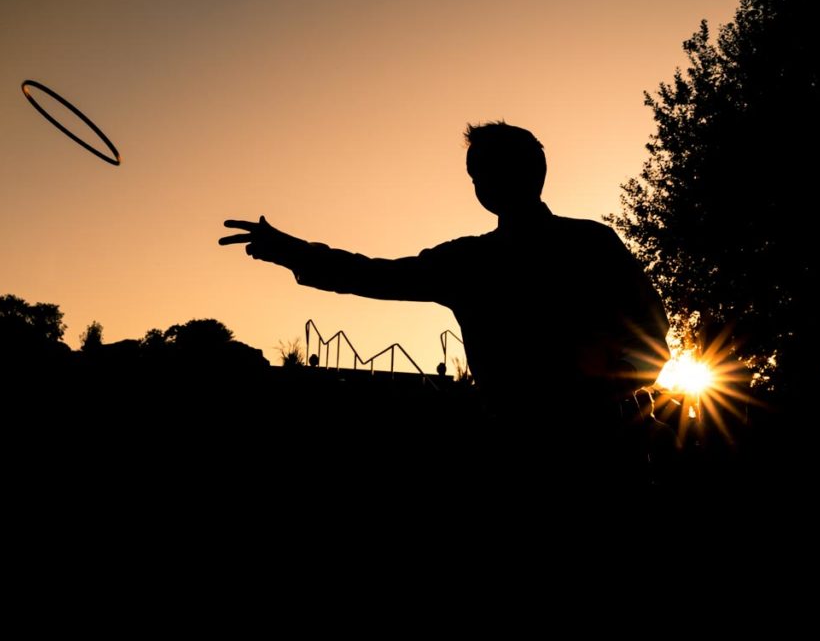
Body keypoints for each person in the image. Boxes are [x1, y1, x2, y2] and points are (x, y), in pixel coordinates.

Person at [220, 121, 668, 435]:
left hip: (590, 449)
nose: (478, 184)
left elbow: (372, 275)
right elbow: (374, 275)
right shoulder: (580, 244)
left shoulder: (478, 260)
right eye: (474, 175)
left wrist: (594, 396)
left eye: (482, 173)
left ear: (523, 174)